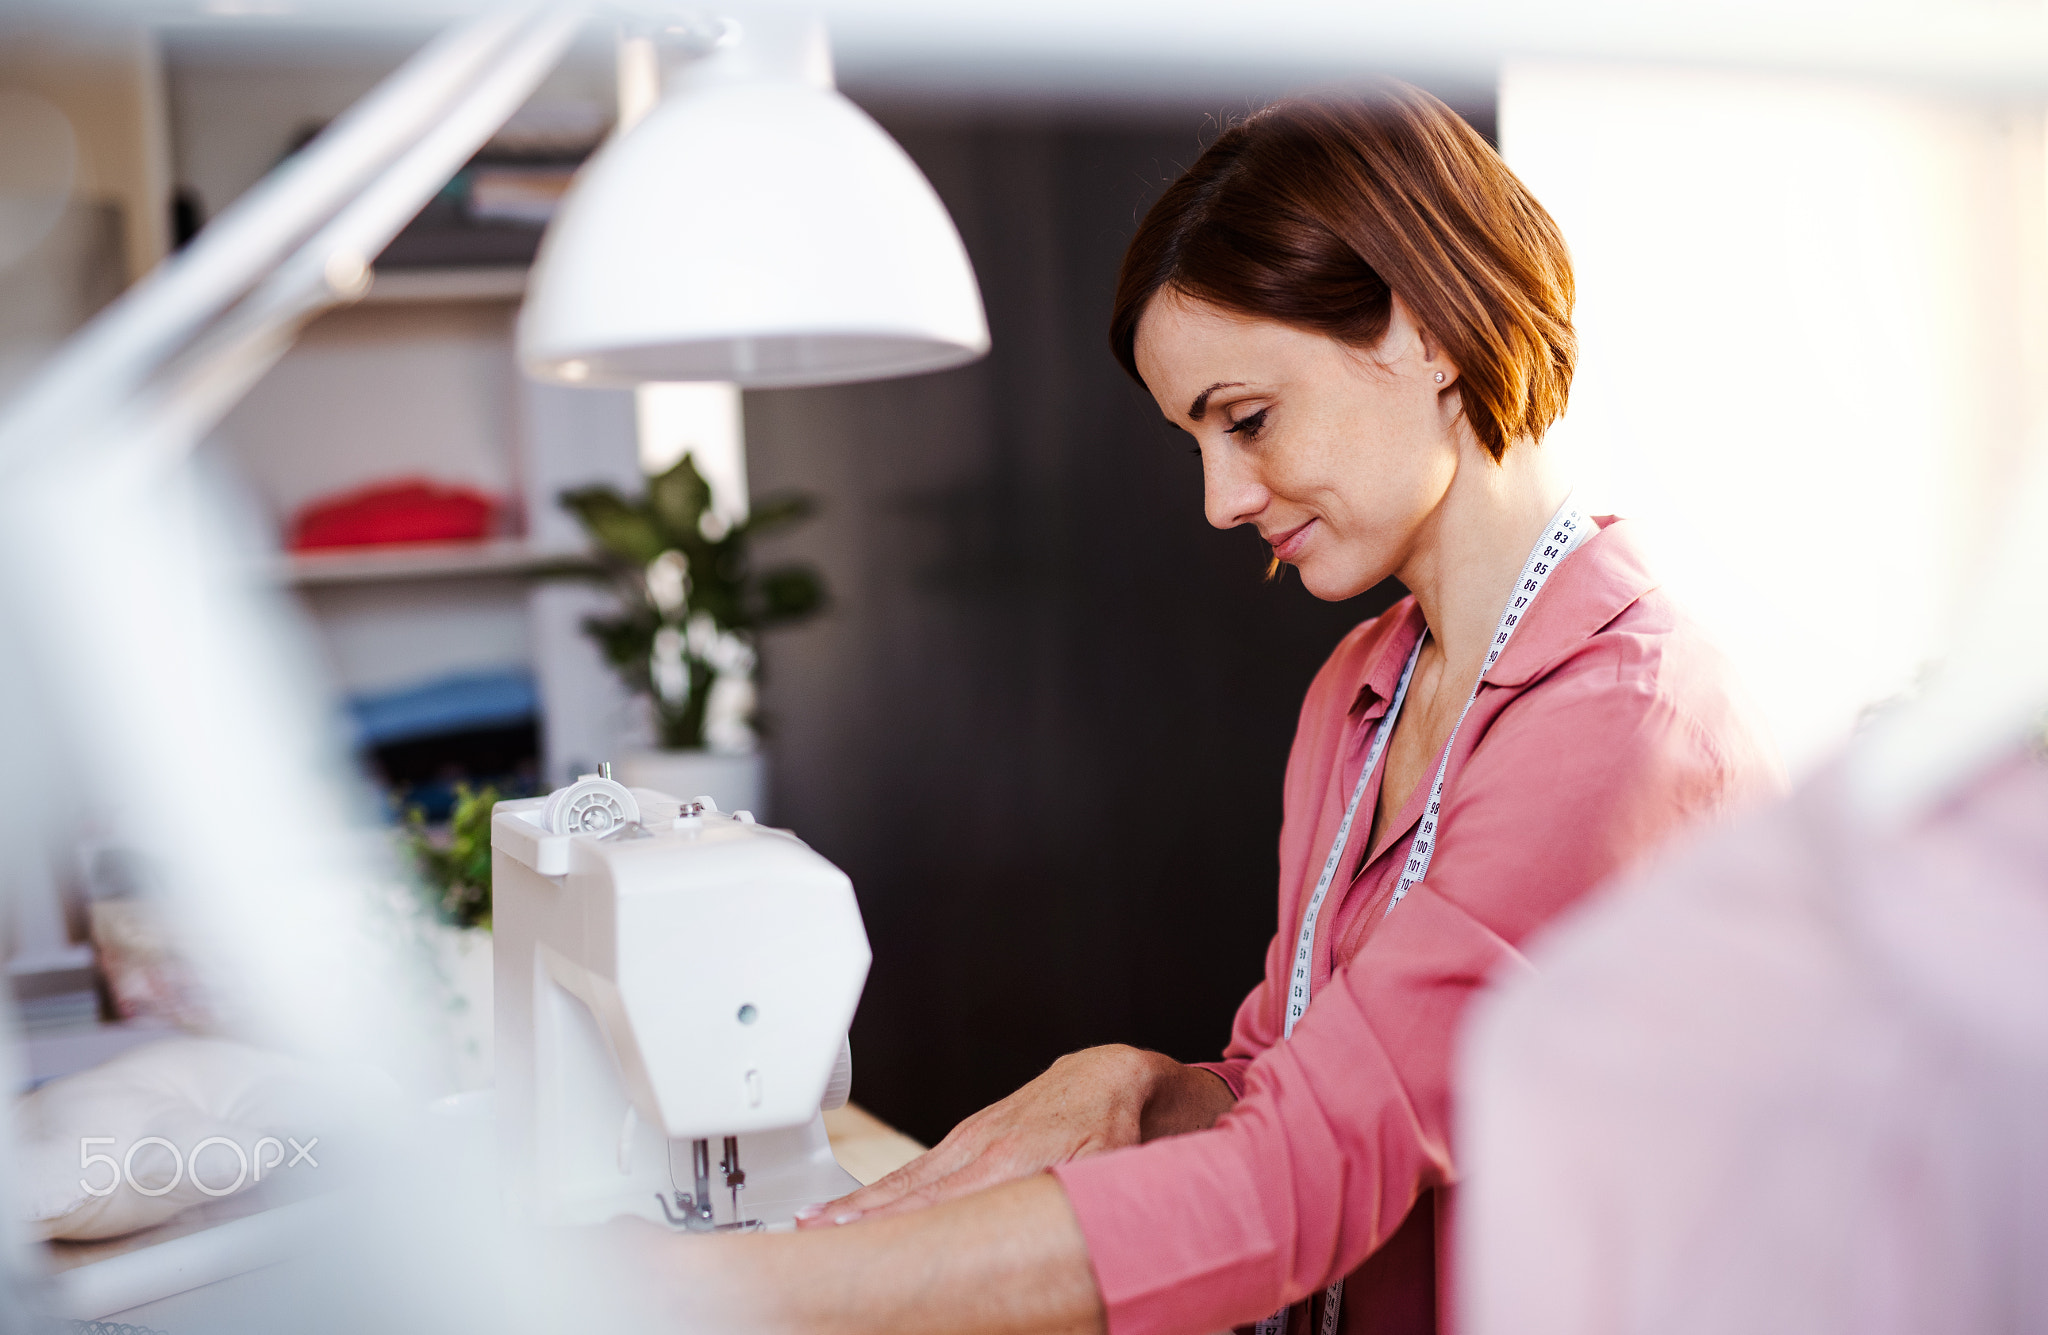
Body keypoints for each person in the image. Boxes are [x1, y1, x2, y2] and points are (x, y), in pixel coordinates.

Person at [627, 82, 1783, 1335]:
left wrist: (719, 1293)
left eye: (1246, 421)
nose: (1220, 500)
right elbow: (1302, 1095)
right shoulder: (1360, 694)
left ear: (1428, 332)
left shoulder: (1623, 724)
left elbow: (1296, 1184)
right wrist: (1142, 1087)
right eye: (1197, 442)